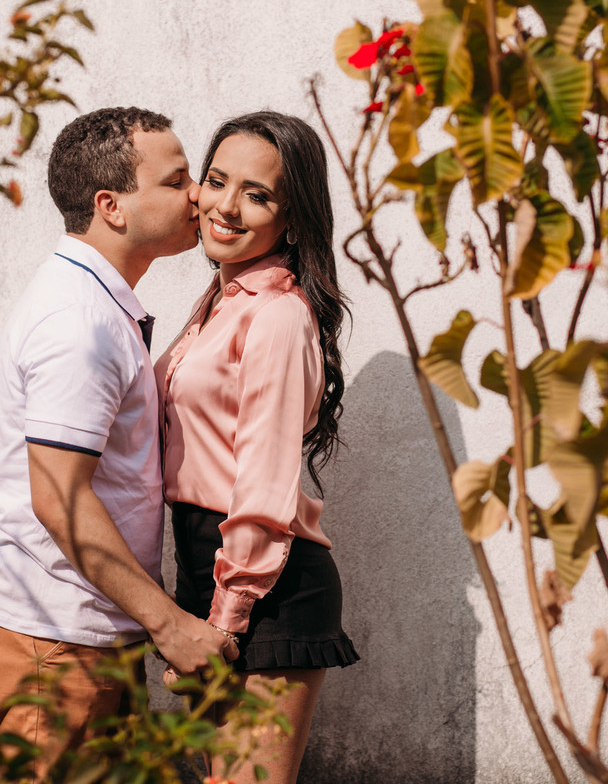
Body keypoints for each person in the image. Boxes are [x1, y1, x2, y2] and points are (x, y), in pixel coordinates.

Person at [0, 106, 238, 780]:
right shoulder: (80, 323)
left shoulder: (94, 302)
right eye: (177, 180)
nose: (198, 195)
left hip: (71, 627)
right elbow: (60, 498)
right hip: (51, 641)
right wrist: (169, 624)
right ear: (111, 206)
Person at [155, 111, 359, 784]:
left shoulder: (277, 314)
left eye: (258, 194)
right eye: (216, 181)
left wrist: (226, 619)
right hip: (208, 567)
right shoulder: (217, 302)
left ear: (292, 218)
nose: (226, 206)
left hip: (263, 585)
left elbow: (266, 486)